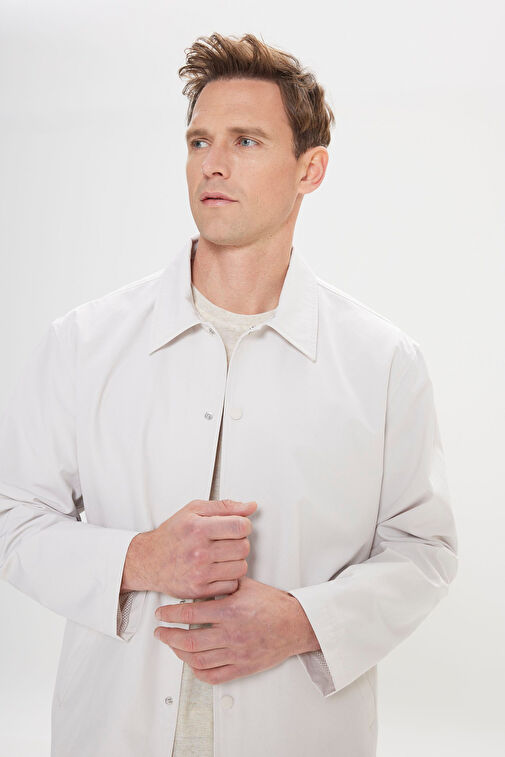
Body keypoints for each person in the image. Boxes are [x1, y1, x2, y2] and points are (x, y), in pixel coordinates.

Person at [0, 32, 458, 757]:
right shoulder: (84, 343)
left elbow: (423, 549)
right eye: (198, 141)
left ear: (310, 169)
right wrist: (140, 558)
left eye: (245, 140)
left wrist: (302, 622)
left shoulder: (382, 362)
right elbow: (14, 518)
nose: (212, 162)